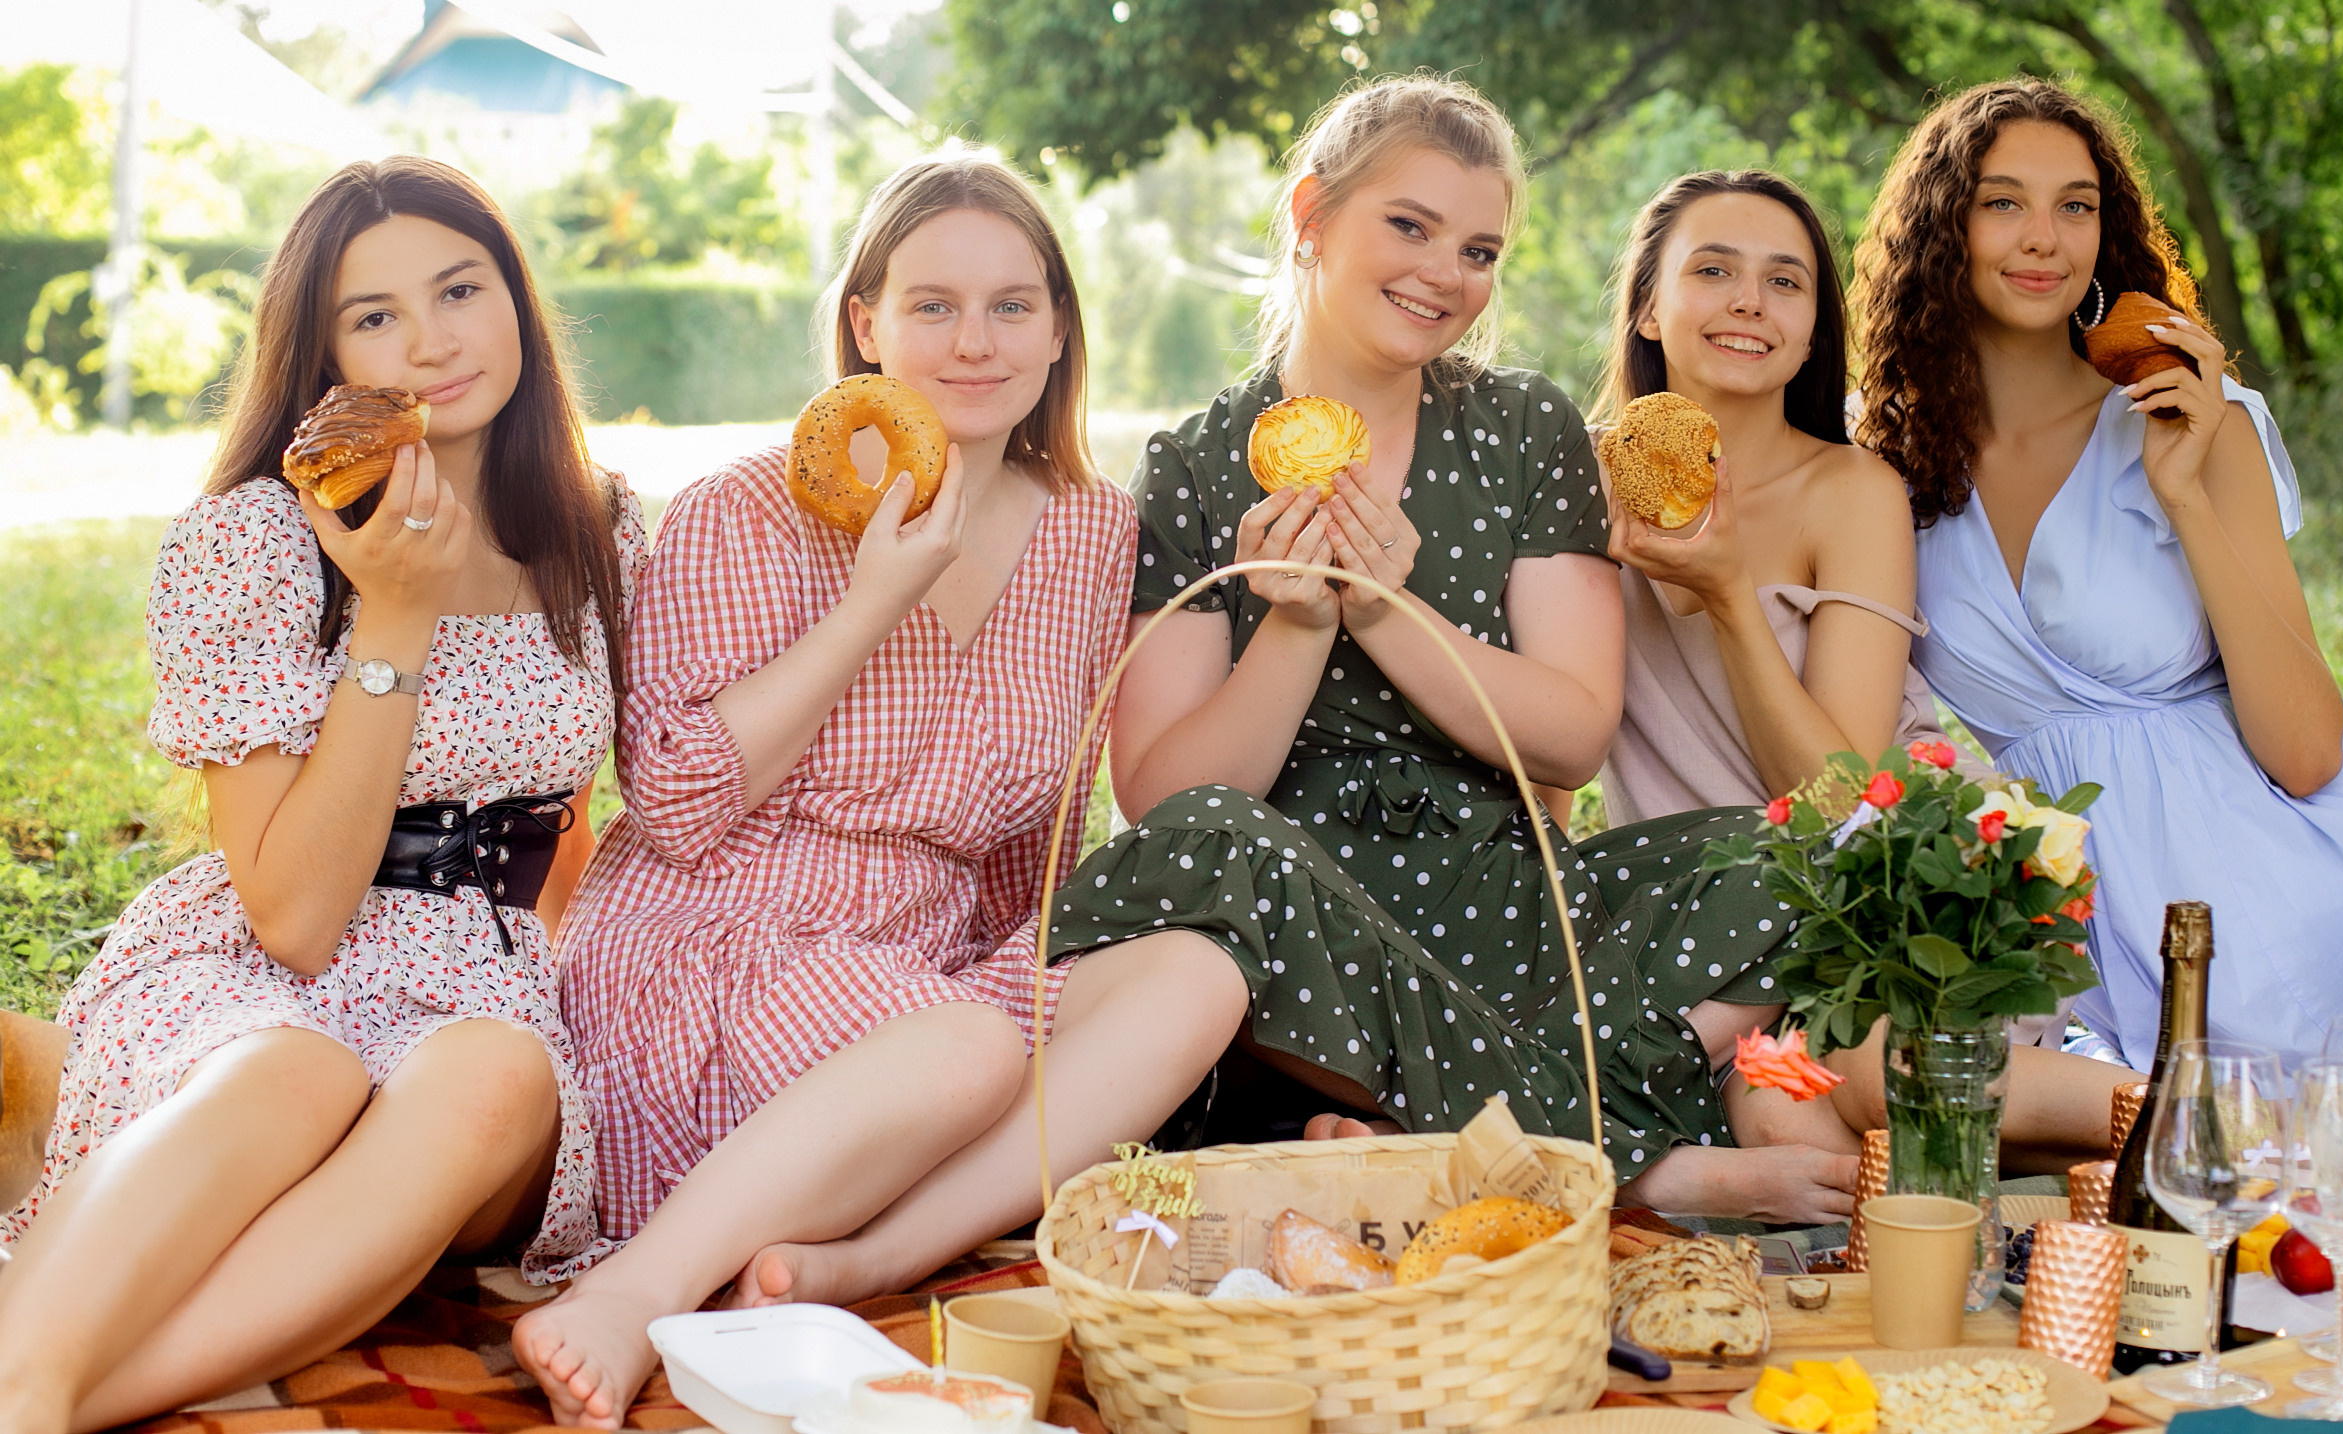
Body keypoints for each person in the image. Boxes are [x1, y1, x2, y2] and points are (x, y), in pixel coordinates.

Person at [1047, 74, 2119, 1228]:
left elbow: (1569, 729)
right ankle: (1643, 1164)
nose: (1441, 273)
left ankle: (1437, 1133)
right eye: (1407, 226)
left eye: (1477, 248)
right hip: (1302, 908)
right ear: (1310, 214)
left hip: (1510, 899)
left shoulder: (1521, 430)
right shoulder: (1196, 464)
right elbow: (1163, 800)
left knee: (1799, 856)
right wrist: (1302, 625)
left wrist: (1386, 607)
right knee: (1214, 840)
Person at [516, 155, 1244, 1428]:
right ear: (865, 320)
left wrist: (1025, 991)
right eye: (933, 306)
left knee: (1195, 976)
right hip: (717, 935)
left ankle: (872, 1255)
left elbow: (1044, 837)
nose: (975, 342)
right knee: (968, 1047)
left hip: (927, 967)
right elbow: (677, 806)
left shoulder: (1089, 531)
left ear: (1060, 327)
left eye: (1013, 306)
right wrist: (871, 603)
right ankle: (635, 1290)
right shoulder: (746, 510)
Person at [0, 157, 641, 1434]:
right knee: (294, 1071)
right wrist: (394, 612)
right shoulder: (253, 538)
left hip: (479, 982)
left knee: (499, 1078)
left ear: (514, 295)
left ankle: (54, 1387)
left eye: (460, 288)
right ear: (324, 353)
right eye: (375, 315)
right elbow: (292, 918)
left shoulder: (598, 532)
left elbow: (565, 826)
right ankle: (31, 1391)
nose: (433, 339)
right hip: (265, 968)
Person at [1855, 76, 2343, 1071]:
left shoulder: (2196, 421)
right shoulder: (1885, 463)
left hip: (2321, 867)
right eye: (2003, 201)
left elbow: (2305, 752)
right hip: (2094, 909)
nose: (2045, 237)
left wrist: (2185, 492)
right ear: (1944, 225)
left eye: (2075, 205)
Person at [1593, 168, 1962, 823]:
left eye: (1784, 281)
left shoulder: (1852, 493)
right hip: (1651, 904)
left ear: (1812, 334)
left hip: (1841, 901)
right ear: (1648, 309)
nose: (1750, 302)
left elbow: (1841, 805)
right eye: (1712, 271)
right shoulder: (1577, 475)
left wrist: (1728, 596)